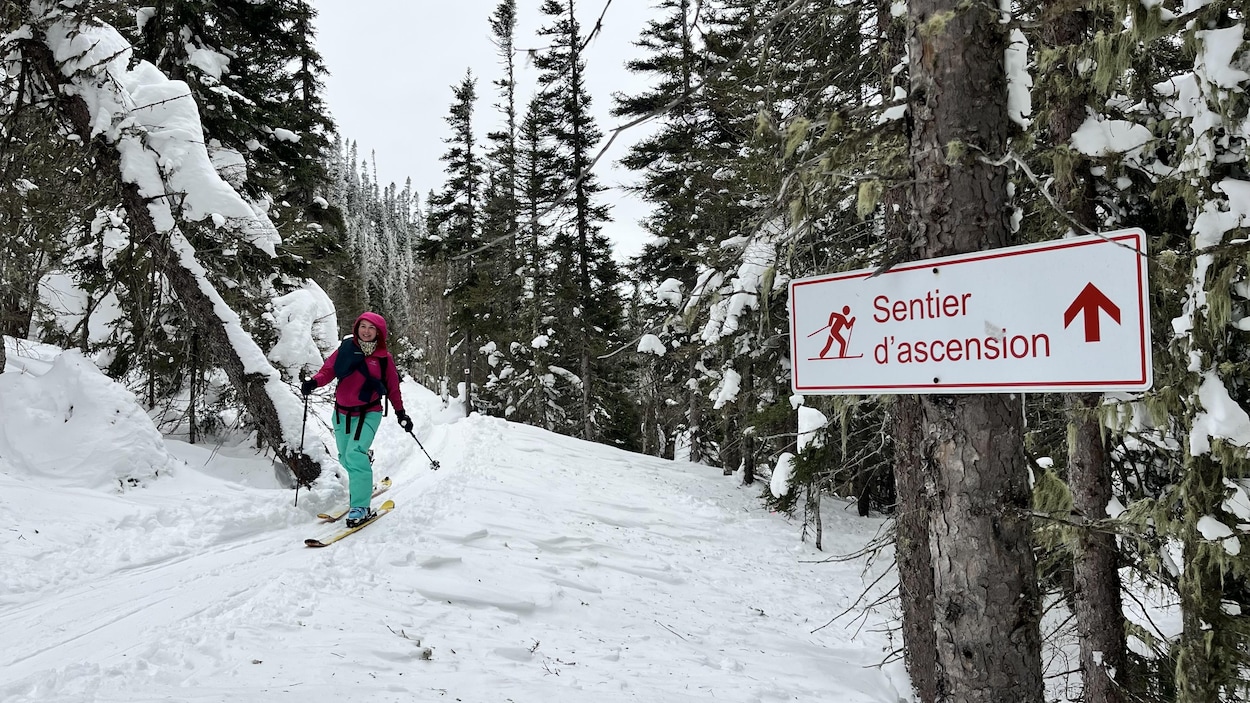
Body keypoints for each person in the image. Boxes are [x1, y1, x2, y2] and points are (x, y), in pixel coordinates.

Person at [301, 312, 412, 526]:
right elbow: (329, 370)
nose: (367, 331)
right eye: (363, 326)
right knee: (345, 457)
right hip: (341, 414)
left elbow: (393, 388)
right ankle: (364, 472)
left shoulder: (383, 358)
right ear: (357, 327)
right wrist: (313, 383)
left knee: (354, 453)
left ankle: (360, 506)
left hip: (368, 413)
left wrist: (400, 413)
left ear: (379, 333)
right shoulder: (346, 349)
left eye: (372, 328)